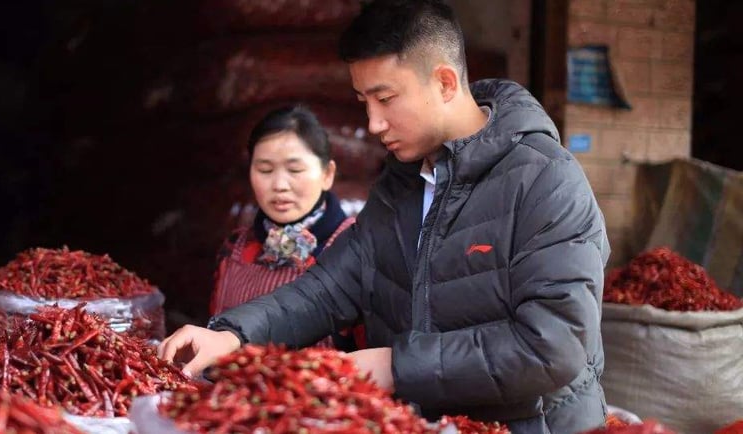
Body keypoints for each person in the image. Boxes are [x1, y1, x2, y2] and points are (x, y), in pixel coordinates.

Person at [159, 1, 610, 433]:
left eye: (386, 98)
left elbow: (554, 346)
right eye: (363, 101)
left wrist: (396, 367)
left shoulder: (546, 181)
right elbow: (330, 287)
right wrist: (233, 335)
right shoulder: (402, 184)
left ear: (445, 83)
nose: (373, 123)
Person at [210, 105, 359, 350]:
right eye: (265, 170)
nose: (279, 185)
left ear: (327, 174)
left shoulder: (355, 247)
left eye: (295, 170)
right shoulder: (235, 249)